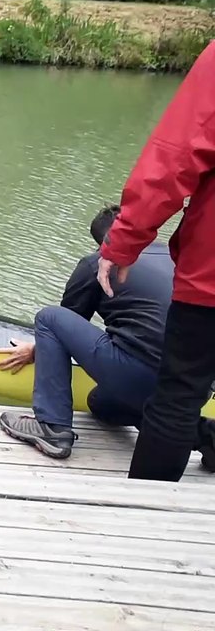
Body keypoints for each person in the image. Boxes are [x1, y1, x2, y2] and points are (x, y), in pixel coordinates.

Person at [96, 41, 215, 482]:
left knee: (178, 398)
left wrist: (124, 241)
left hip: (210, 280)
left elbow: (176, 159)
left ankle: (144, 519)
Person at [0, 205, 174, 459]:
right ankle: (204, 436)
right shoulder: (177, 258)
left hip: (139, 376)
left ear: (102, 242)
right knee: (103, 406)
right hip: (194, 386)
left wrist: (33, 350)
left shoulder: (98, 263)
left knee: (48, 317)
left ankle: (52, 426)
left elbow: (63, 325)